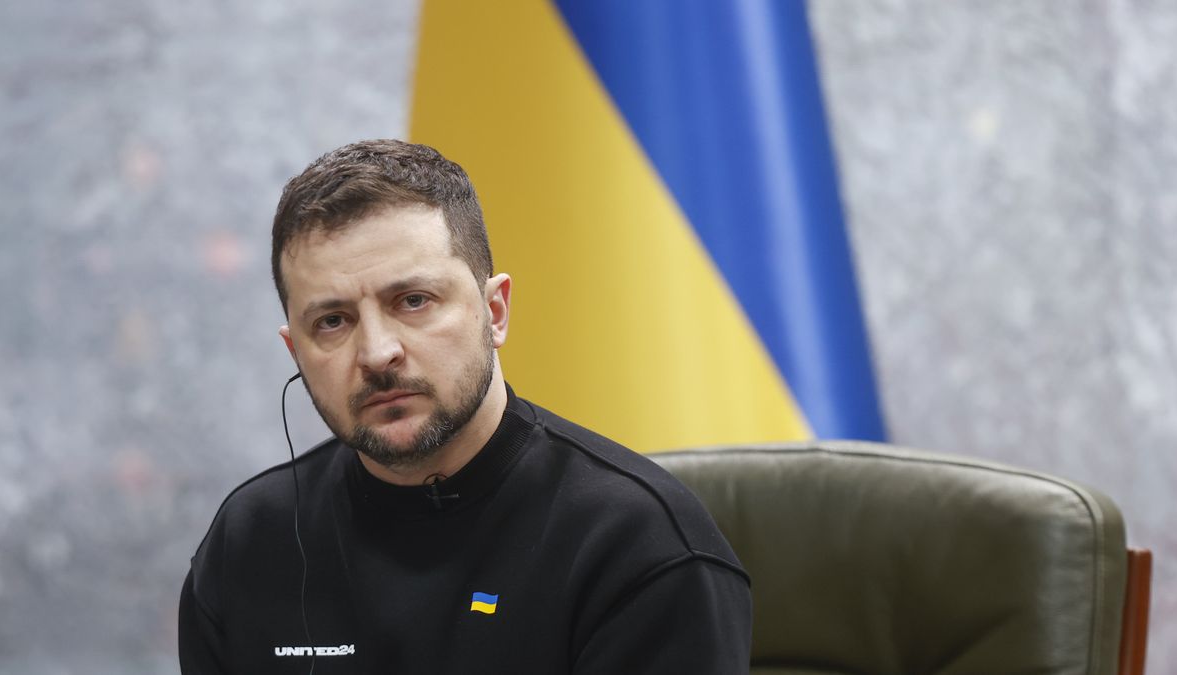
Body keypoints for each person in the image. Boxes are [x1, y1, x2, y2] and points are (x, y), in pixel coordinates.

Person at [178, 139, 752, 673]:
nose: (377, 353)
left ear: (494, 312)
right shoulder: (250, 542)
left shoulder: (637, 546)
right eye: (332, 321)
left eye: (413, 301)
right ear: (295, 351)